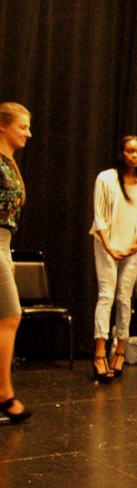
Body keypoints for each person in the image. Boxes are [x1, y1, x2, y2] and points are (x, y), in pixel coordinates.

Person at [90, 136, 137, 383]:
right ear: (121, 152)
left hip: (132, 247)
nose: (134, 155)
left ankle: (119, 350)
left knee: (124, 298)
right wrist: (107, 245)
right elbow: (100, 214)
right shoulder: (106, 178)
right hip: (106, 244)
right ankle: (99, 353)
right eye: (130, 151)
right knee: (106, 295)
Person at [0, 102, 32, 423]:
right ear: (3, 126)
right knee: (10, 317)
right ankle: (4, 394)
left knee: (6, 318)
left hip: (3, 244)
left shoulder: (9, 162)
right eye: (22, 127)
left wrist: (7, 255)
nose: (28, 133)